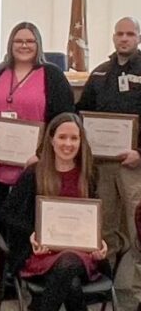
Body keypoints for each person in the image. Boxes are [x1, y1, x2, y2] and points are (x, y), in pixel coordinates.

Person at [0, 21, 74, 299]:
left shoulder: (52, 75)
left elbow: (65, 118)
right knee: (4, 226)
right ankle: (7, 284)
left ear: (38, 44)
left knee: (31, 225)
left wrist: (42, 155)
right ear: (10, 44)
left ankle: (37, 282)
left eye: (30, 41)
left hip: (36, 171)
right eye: (19, 41)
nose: (24, 46)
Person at [1, 112, 108, 311]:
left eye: (74, 138)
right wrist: (33, 235)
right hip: (43, 252)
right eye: (62, 137)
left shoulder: (89, 173)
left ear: (81, 141)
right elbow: (7, 213)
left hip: (81, 253)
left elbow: (93, 218)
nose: (68, 144)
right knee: (72, 285)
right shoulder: (34, 172)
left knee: (68, 263)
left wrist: (99, 242)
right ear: (51, 139)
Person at [76, 16, 141, 307]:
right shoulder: (101, 73)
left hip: (135, 167)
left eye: (130, 34)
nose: (124, 38)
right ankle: (105, 289)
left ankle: (139, 295)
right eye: (119, 34)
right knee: (106, 232)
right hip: (103, 167)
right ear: (113, 38)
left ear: (138, 38)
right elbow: (81, 113)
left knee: (139, 230)